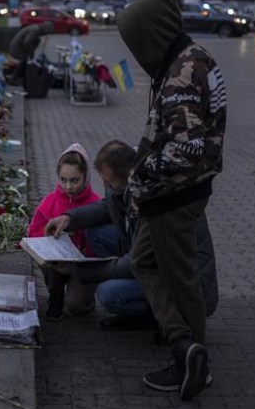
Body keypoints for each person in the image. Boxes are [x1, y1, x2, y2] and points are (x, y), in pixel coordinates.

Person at [115, 0, 227, 401]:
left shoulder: (182, 73)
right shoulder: (189, 58)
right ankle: (183, 343)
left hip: (174, 194)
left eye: (137, 40)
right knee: (145, 263)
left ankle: (194, 363)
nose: (136, 50)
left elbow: (185, 147)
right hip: (175, 191)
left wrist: (140, 174)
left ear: (153, 33)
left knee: (181, 280)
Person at [44, 140, 218, 332]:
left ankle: (164, 318)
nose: (105, 186)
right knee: (95, 232)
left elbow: (135, 261)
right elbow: (108, 206)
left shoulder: (152, 195)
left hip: (182, 284)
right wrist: (69, 218)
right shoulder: (132, 178)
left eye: (109, 182)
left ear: (127, 176)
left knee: (108, 293)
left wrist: (81, 271)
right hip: (155, 263)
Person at [27, 143, 101, 321]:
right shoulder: (51, 200)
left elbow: (99, 243)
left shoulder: (96, 203)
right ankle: (56, 294)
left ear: (86, 176)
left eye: (74, 180)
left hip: (81, 265)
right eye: (64, 180)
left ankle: (85, 300)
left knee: (76, 307)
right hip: (57, 263)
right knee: (50, 262)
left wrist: (82, 251)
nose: (68, 186)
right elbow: (34, 231)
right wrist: (48, 241)